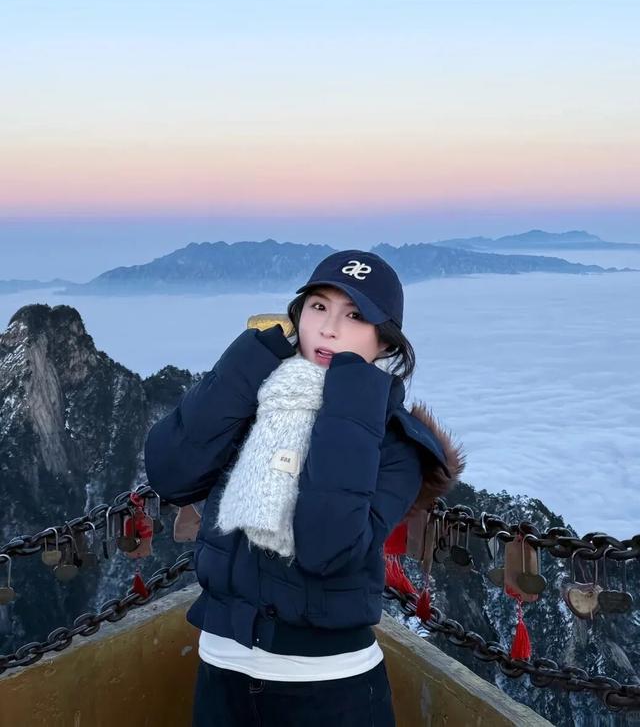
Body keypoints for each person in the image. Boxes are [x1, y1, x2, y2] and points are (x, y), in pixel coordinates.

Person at [144, 249, 463, 727]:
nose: (330, 328)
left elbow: (325, 547)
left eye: (355, 316)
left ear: (387, 343)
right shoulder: (255, 405)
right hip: (221, 675)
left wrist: (352, 395)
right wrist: (248, 360)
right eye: (318, 307)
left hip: (331, 690)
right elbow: (171, 472)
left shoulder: (399, 447)